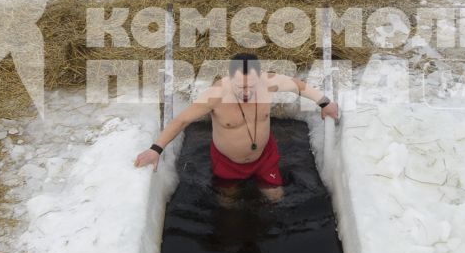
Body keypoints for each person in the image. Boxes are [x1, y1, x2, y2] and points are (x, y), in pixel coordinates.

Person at [133, 53, 338, 202]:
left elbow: (298, 86)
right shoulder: (216, 94)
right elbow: (181, 120)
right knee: (227, 203)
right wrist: (155, 149)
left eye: (252, 85)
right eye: (241, 86)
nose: (247, 91)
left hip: (264, 157)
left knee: (276, 199)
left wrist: (325, 102)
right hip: (226, 161)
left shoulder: (268, 83)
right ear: (231, 79)